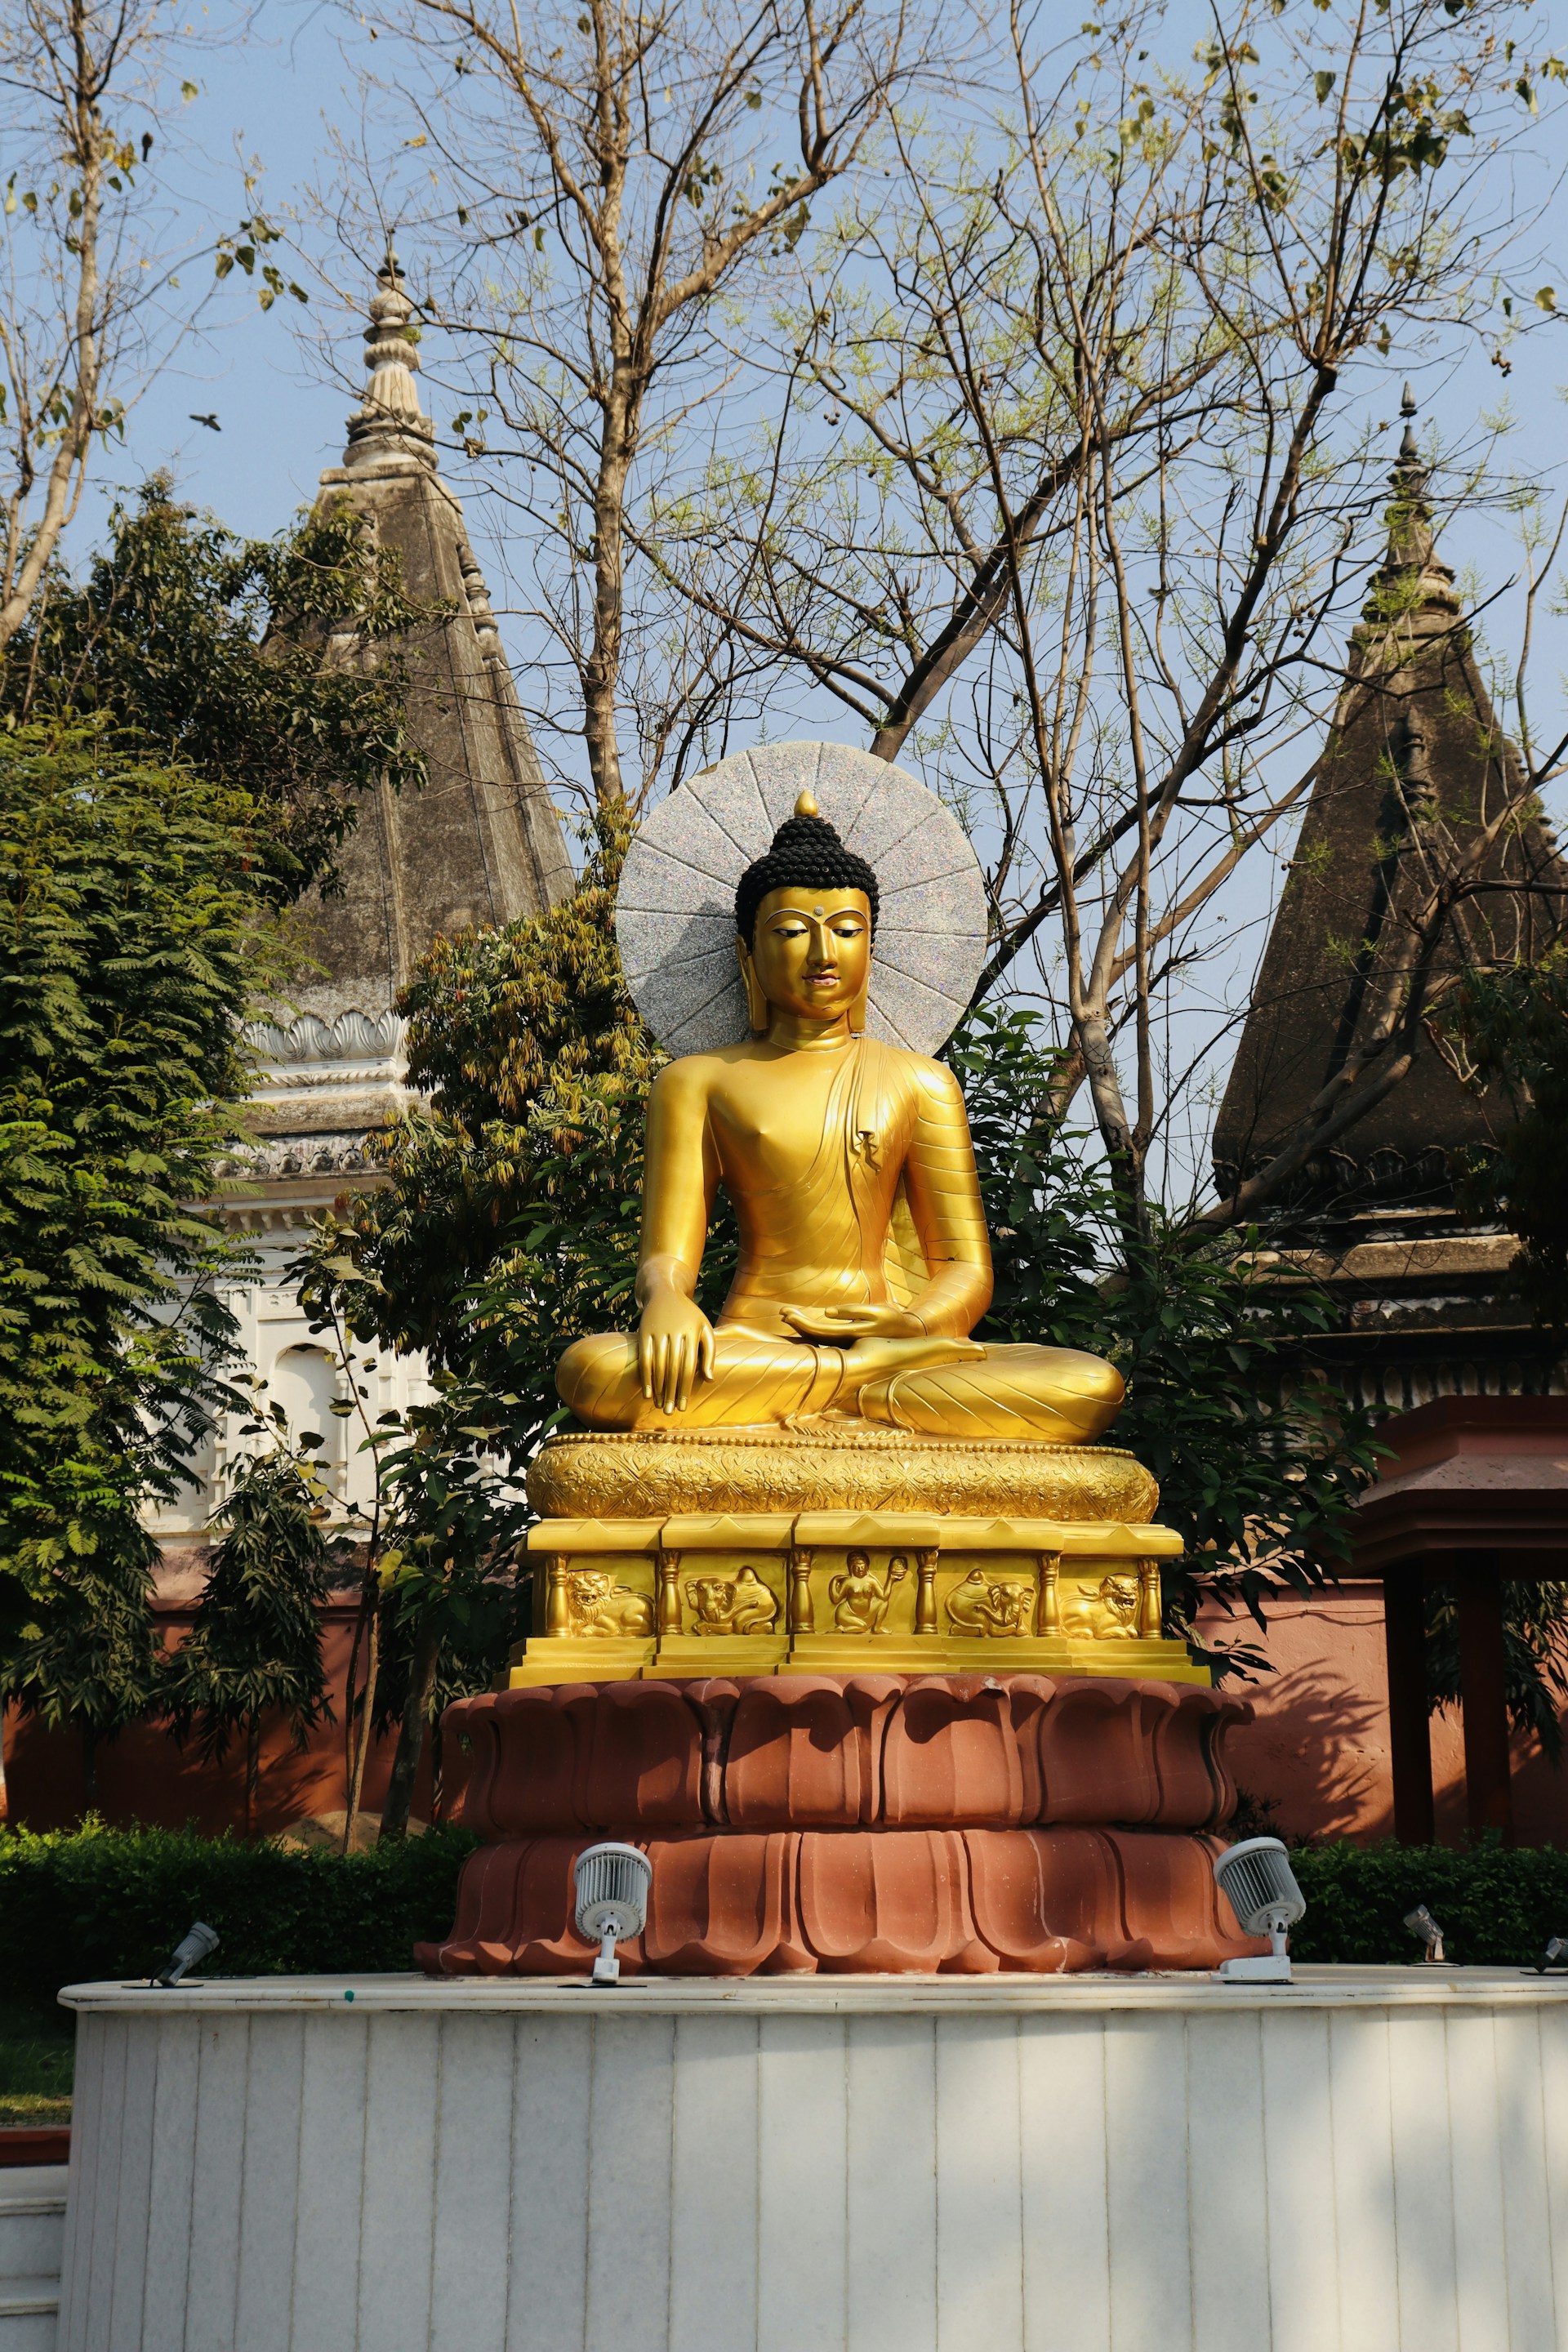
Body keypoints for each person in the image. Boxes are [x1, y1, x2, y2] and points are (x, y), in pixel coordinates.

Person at [557, 794, 1124, 1441]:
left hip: (897, 1343)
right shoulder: (697, 1082)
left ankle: (860, 1379)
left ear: (872, 948)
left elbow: (966, 1271)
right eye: (794, 931)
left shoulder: (921, 1081)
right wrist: (665, 1300)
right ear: (748, 952)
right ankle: (863, 1386)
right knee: (594, 1371)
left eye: (847, 931)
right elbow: (667, 1254)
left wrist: (909, 1329)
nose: (823, 953)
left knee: (1090, 1383)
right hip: (757, 1341)